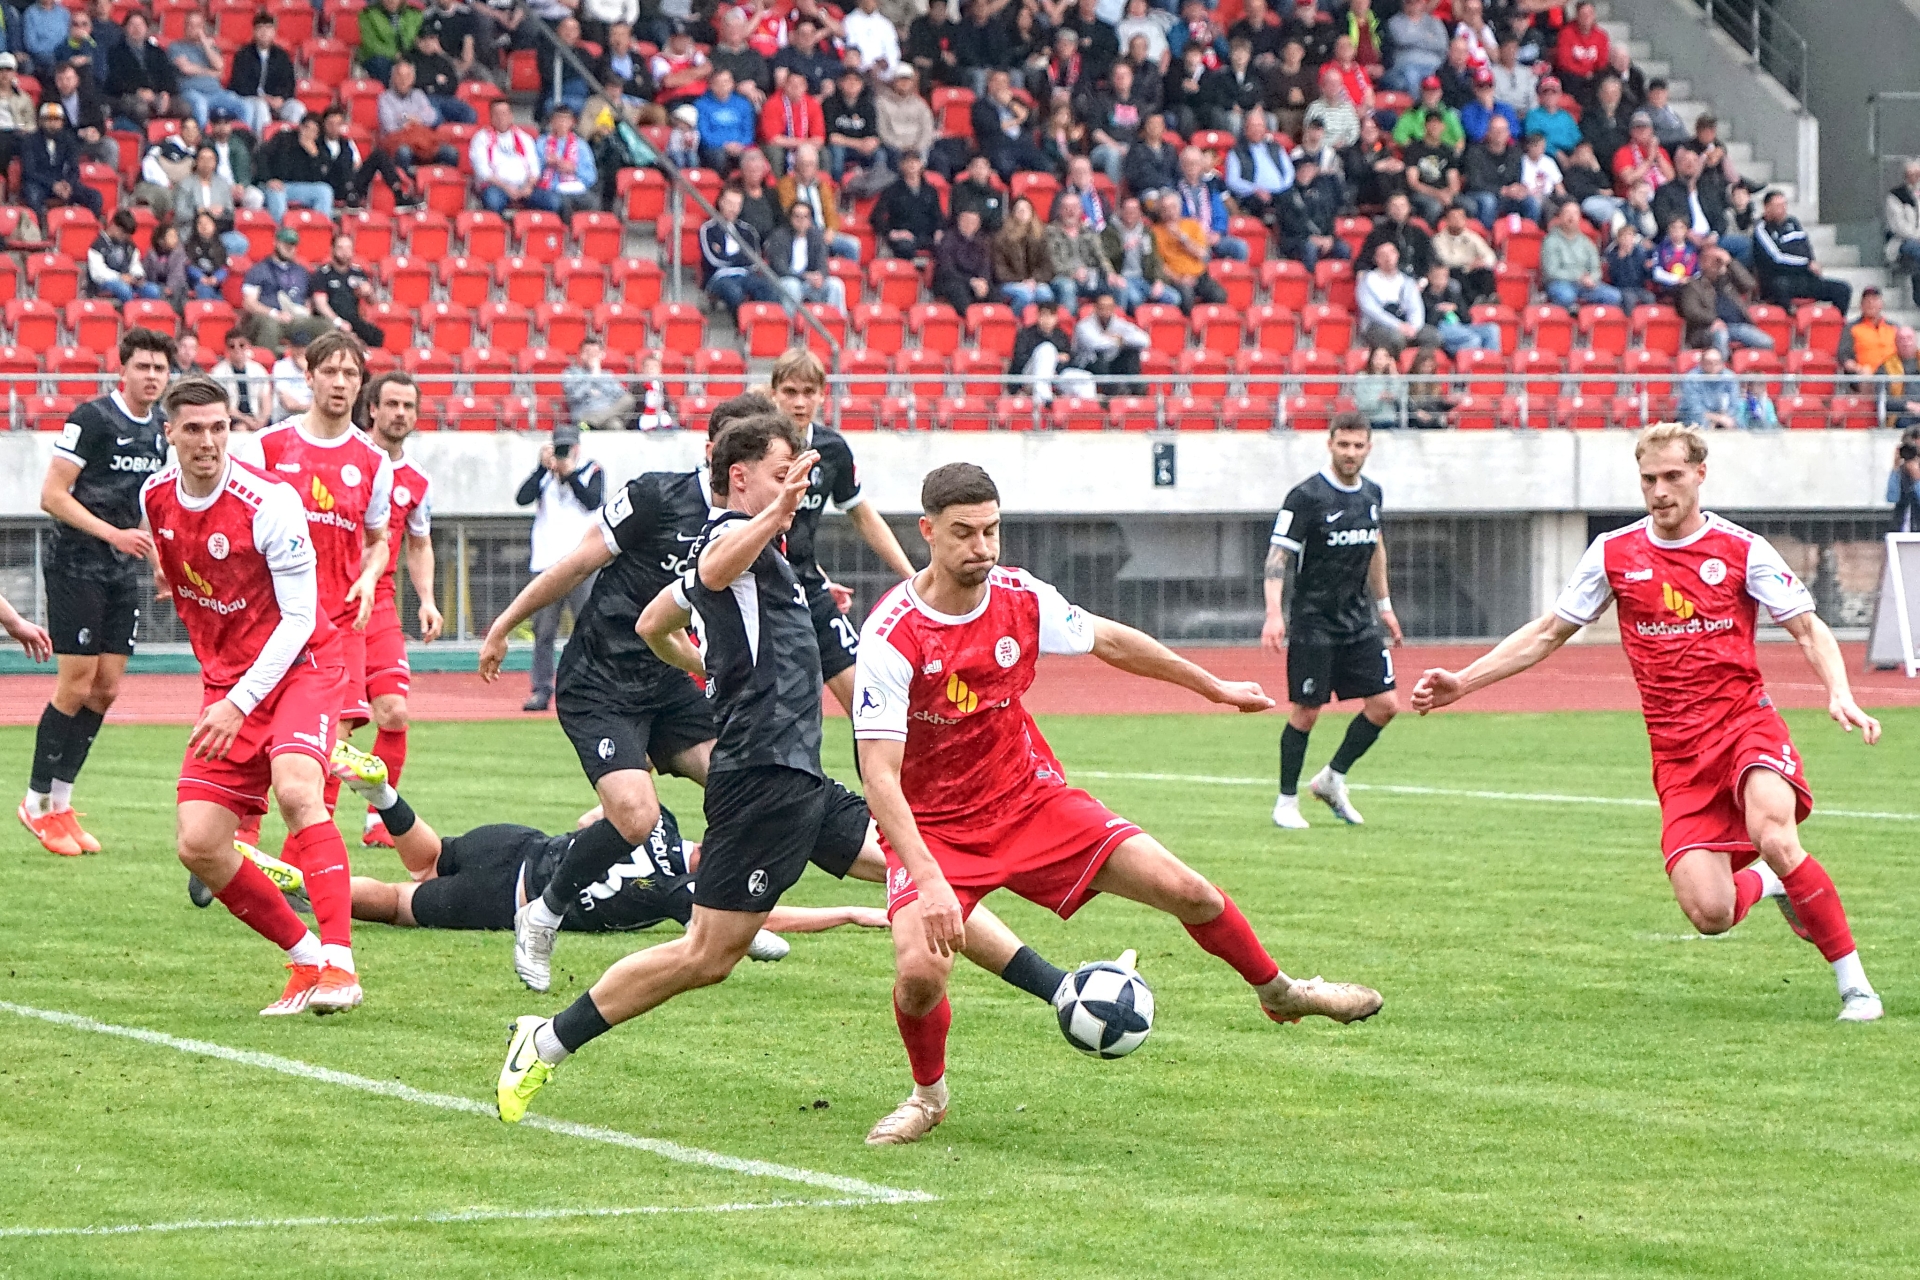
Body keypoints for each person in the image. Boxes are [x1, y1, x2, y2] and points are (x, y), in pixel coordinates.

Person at [855, 462, 1382, 1144]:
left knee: (1188, 891)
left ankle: (1282, 993)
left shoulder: (1021, 597)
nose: (982, 548)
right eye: (963, 534)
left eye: (991, 531)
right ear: (927, 532)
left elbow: (1110, 639)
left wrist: (1212, 687)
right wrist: (928, 879)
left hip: (1029, 801)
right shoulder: (894, 633)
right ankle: (928, 1097)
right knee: (921, 974)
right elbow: (879, 775)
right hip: (935, 831)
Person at [1417, 423, 1884, 1020]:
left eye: (1672, 477)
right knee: (1711, 914)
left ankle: (1856, 987)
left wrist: (1839, 692)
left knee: (1776, 833)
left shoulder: (1743, 550)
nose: (1660, 491)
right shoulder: (1614, 553)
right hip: (1678, 756)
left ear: (1699, 475)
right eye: (1649, 480)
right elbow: (1548, 631)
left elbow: (1808, 627)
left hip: (1745, 726)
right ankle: (1768, 884)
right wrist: (1464, 682)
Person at [146, 371, 368, 1015]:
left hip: (300, 666)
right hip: (228, 682)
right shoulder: (155, 496)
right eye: (193, 430)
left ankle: (340, 966)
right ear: (171, 435)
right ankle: (303, 960)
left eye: (220, 427)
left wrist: (239, 700)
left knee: (300, 790)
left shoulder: (268, 500)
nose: (209, 442)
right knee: (199, 844)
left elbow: (300, 618)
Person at [337, 747, 884, 941]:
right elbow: (764, 919)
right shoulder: (685, 889)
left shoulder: (659, 819)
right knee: (394, 902)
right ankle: (316, 887)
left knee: (429, 859)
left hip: (517, 843)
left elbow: (590, 817)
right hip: (507, 897)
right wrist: (852, 914)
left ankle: (385, 795)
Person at [18, 328, 172, 857]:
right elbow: (51, 495)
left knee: (106, 689)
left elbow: (148, 503)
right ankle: (35, 802)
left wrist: (158, 563)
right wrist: (112, 535)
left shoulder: (158, 430)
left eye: (160, 368)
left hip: (121, 569)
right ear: (122, 370)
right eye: (143, 367)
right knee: (77, 683)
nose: (151, 376)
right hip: (75, 563)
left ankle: (62, 802)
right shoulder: (91, 420)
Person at [255, 331, 394, 805]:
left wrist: (371, 576)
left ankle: (306, 863)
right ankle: (235, 856)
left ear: (361, 385)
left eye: (350, 374)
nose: (340, 382)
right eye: (330, 372)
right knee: (255, 740)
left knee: (332, 744)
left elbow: (378, 541)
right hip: (270, 620)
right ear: (309, 377)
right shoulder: (268, 447)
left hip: (338, 621)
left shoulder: (374, 461)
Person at [1263, 412, 1404, 828]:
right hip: (1314, 622)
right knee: (1307, 711)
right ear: (1330, 444)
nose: (1350, 453)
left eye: (1358, 445)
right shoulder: (1306, 496)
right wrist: (1274, 613)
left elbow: (1376, 550)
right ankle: (1285, 802)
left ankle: (1332, 778)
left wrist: (1385, 606)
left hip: (1358, 620)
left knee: (1385, 705)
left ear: (1368, 448)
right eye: (1343, 444)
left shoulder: (1372, 494)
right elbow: (1278, 557)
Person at [765, 350, 918, 715]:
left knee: (869, 703)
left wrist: (914, 579)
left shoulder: (832, 449)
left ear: (822, 395)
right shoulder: (752, 445)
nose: (799, 402)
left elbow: (863, 516)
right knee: (770, 706)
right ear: (774, 394)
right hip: (758, 586)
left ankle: (880, 774)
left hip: (808, 585)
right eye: (790, 392)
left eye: (808, 392)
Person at [351, 371, 439, 846]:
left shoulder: (417, 481)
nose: (400, 413)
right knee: (331, 722)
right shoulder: (348, 460)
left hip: (380, 604)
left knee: (394, 713)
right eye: (392, 404)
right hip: (332, 605)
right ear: (373, 409)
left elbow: (419, 545)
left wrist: (426, 601)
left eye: (408, 405)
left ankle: (378, 819)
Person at [510, 422, 605, 714]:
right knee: (544, 631)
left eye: (568, 447)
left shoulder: (591, 470)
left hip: (582, 563)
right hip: (547, 564)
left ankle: (595, 688)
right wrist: (541, 470)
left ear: (577, 448)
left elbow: (592, 501)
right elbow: (521, 498)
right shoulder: (545, 477)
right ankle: (541, 689)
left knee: (589, 630)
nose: (564, 452)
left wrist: (570, 475)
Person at [1754, 189, 1850, 312]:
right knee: (1779, 286)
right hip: (1779, 279)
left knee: (1842, 289)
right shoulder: (1761, 229)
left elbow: (1805, 248)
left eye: (1784, 205)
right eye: (1778, 206)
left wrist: (1812, 263)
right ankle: (1792, 317)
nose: (1783, 209)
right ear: (1767, 207)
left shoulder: (1793, 223)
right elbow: (1777, 258)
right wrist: (1806, 264)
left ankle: (1837, 327)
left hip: (1803, 278)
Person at [241, 228, 328, 350]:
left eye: (292, 245)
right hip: (268, 316)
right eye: (285, 244)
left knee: (326, 326)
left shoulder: (302, 272)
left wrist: (305, 311)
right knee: (269, 325)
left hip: (296, 318)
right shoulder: (259, 269)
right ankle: (267, 364)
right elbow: (249, 303)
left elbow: (308, 299)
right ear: (276, 243)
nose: (289, 248)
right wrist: (274, 313)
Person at [699, 186, 781, 311]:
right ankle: (742, 327)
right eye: (730, 203)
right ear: (721, 202)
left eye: (737, 204)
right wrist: (741, 257)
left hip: (745, 274)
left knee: (769, 289)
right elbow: (713, 261)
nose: (733, 208)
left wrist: (727, 256)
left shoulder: (748, 230)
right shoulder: (708, 229)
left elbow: (754, 261)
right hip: (719, 276)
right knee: (734, 292)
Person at [1678, 246, 1770, 357]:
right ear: (1702, 263)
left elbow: (1749, 284)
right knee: (1721, 336)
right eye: (1713, 261)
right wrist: (1713, 320)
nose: (1716, 265)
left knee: (1766, 342)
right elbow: (1692, 311)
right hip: (1706, 329)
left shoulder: (1728, 281)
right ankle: (1720, 371)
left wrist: (1730, 262)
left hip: (1737, 325)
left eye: (1719, 261)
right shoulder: (1693, 285)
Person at [19, 99, 100, 217]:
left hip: (62, 182)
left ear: (62, 122)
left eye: (56, 120)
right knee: (32, 195)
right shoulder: (30, 140)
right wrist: (52, 184)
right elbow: (29, 171)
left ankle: (91, 227)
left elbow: (74, 168)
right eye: (49, 120)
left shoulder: (68, 140)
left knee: (95, 196)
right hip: (40, 183)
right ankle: (41, 231)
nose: (53, 124)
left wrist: (68, 184)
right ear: (41, 121)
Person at [776, 143, 859, 257]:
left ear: (816, 166)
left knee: (853, 245)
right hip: (800, 233)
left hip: (823, 233)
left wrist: (831, 230)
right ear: (796, 165)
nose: (807, 168)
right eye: (803, 164)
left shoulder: (822, 186)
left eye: (811, 164)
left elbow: (831, 212)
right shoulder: (786, 185)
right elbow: (789, 211)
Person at [169, 10, 250, 127]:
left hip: (216, 93)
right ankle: (203, 141)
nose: (193, 29)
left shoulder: (210, 47)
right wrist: (211, 73)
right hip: (192, 92)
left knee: (243, 106)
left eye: (197, 25)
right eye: (190, 25)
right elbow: (186, 68)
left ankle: (243, 139)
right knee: (200, 105)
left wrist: (204, 42)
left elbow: (219, 66)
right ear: (185, 27)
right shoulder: (176, 46)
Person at [1356, 241, 1436, 355]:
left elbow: (1416, 308)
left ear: (1397, 255)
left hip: (1406, 323)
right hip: (1377, 325)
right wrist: (1398, 326)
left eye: (1391, 253)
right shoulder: (1367, 281)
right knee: (1396, 338)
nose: (1388, 258)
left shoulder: (1407, 281)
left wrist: (1413, 327)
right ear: (1376, 259)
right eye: (1383, 255)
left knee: (1432, 336)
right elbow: (1372, 311)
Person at [228, 11, 301, 134]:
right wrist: (263, 97)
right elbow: (239, 84)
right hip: (251, 98)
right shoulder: (243, 54)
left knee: (297, 108)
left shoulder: (282, 56)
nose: (264, 33)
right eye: (260, 28)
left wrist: (281, 98)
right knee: (261, 107)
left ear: (274, 32)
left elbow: (289, 83)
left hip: (276, 101)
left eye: (268, 28)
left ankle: (291, 144)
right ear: (254, 32)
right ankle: (264, 144)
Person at [1008, 302, 1095, 403]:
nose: (1047, 320)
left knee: (1086, 378)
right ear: (1038, 316)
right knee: (1046, 349)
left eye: (1051, 316)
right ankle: (1044, 399)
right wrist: (1048, 359)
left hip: (1056, 374)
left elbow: (1069, 359)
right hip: (1029, 376)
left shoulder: (1061, 335)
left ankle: (1086, 412)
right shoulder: (1026, 334)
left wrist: (1055, 365)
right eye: (1044, 315)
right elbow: (1019, 360)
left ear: (1056, 318)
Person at [1541, 199, 1621, 309]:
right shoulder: (1550, 241)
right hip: (1560, 283)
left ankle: (1590, 319)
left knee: (1614, 296)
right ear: (1560, 217)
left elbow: (1596, 268)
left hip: (1585, 285)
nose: (1571, 217)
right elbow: (1551, 272)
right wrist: (1578, 277)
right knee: (1566, 296)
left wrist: (1592, 279)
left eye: (1575, 213)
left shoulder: (1586, 242)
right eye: (1567, 213)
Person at [311, 233, 384, 349]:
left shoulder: (358, 273)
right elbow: (321, 305)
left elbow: (372, 302)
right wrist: (338, 322)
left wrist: (369, 293)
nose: (345, 252)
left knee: (376, 335)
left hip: (352, 319)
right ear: (332, 249)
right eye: (340, 248)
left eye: (348, 248)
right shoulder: (322, 274)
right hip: (329, 320)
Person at [1223, 108, 1293, 226]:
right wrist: (1255, 190)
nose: (1257, 130)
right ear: (1245, 129)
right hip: (1253, 197)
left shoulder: (1276, 147)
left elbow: (1289, 173)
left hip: (1280, 194)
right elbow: (1232, 181)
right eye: (1253, 126)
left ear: (1265, 128)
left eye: (1260, 126)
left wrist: (1282, 188)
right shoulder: (1236, 152)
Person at [1071, 293, 1149, 394]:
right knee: (1099, 357)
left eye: (1109, 307)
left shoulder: (1119, 323)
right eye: (1102, 307)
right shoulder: (1083, 326)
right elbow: (1095, 344)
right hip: (1088, 366)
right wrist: (1116, 340)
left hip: (1112, 364)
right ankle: (1112, 394)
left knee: (1132, 353)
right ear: (1095, 308)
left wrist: (1123, 340)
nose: (1105, 310)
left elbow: (1144, 340)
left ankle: (1135, 390)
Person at [872, 149, 942, 258]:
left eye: (915, 161)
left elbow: (938, 216)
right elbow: (876, 216)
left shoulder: (930, 191)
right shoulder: (892, 190)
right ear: (901, 165)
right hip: (904, 236)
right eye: (908, 161)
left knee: (946, 247)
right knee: (905, 248)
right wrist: (891, 233)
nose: (912, 165)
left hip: (926, 235)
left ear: (921, 164)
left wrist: (939, 230)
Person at [1421, 262, 1501, 353]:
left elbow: (1467, 319)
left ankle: (1491, 362)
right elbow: (1428, 321)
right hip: (1441, 328)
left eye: (1445, 276)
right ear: (1429, 277)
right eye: (1438, 276)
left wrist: (1456, 308)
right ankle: (1464, 360)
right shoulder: (1424, 296)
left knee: (1492, 329)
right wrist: (1441, 311)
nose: (1442, 280)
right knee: (1473, 339)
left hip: (1461, 326)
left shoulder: (1452, 293)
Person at [84, 208, 160, 303]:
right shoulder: (97, 245)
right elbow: (98, 273)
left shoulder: (129, 245)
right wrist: (120, 277)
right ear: (114, 226)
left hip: (128, 281)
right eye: (123, 233)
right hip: (104, 283)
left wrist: (137, 276)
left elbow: (135, 264)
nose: (125, 237)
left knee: (153, 290)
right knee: (124, 290)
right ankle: (130, 314)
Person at [993, 195, 1053, 311]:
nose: (1023, 212)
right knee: (1024, 295)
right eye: (1019, 209)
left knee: (1045, 293)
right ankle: (1015, 321)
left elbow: (1047, 266)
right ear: (1013, 213)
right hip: (1009, 282)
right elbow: (1000, 270)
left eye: (1026, 209)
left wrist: (1034, 279)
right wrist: (1022, 281)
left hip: (1034, 281)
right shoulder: (1001, 238)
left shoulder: (1041, 237)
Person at [561, 336, 635, 430]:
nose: (591, 356)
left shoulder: (608, 374)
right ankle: (592, 422)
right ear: (581, 355)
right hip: (584, 415)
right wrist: (593, 376)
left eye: (595, 353)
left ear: (601, 355)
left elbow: (619, 395)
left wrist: (598, 379)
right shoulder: (571, 373)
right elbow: (575, 395)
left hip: (605, 414)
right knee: (616, 425)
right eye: (587, 352)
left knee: (628, 399)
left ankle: (593, 422)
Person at [931, 204, 992, 314]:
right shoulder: (948, 239)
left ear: (978, 225)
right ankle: (971, 324)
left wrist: (983, 280)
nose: (969, 225)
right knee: (959, 292)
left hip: (975, 281)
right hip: (952, 281)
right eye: (966, 221)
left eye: (973, 222)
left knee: (995, 294)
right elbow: (947, 269)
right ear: (959, 221)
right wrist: (970, 281)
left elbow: (986, 264)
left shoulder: (983, 241)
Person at [210, 327, 272, 432]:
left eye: (241, 345)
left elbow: (266, 399)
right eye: (232, 346)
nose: (237, 349)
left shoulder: (258, 370)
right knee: (241, 429)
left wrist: (262, 420)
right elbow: (224, 406)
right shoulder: (218, 372)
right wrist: (247, 420)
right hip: (233, 418)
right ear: (227, 349)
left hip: (256, 415)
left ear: (248, 346)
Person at [1883, 160, 1920, 309]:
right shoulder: (1895, 196)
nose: (1915, 178)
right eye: (1912, 175)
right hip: (1902, 242)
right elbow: (1899, 227)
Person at [359, 0, 423, 85]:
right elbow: (371, 45)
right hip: (382, 58)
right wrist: (394, 55)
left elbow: (418, 37)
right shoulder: (369, 14)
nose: (391, 1)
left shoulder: (414, 13)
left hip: (409, 55)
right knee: (380, 63)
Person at [1677, 345, 1740, 430]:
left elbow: (1734, 404)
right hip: (1695, 418)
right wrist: (1717, 419)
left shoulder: (1730, 377)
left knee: (1738, 421)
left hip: (1724, 418)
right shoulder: (1692, 378)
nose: (1713, 366)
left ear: (1722, 364)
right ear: (1701, 363)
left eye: (1717, 362)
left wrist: (1725, 418)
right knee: (1700, 421)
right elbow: (1694, 408)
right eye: (1709, 362)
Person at [1602, 221, 1655, 315]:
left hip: (1638, 287)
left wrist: (1648, 268)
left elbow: (1646, 276)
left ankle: (1648, 321)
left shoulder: (1640, 253)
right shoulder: (1613, 255)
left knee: (1650, 297)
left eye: (1630, 236)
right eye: (1624, 237)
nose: (1627, 240)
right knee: (1630, 299)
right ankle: (1628, 323)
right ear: (1618, 239)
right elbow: (1614, 276)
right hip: (1621, 288)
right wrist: (1621, 260)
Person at [1350, 344, 1400, 429]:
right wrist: (1379, 397)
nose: (1380, 359)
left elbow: (1400, 397)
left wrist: (1394, 373)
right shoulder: (1362, 377)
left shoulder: (1393, 377)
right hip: (1369, 420)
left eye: (1384, 356)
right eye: (1376, 356)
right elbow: (1361, 404)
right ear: (1371, 358)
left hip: (1389, 421)